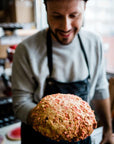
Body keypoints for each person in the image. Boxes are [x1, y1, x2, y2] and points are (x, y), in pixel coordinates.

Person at [12, 0, 113, 143]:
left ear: (84, 8)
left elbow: (100, 89)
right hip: (40, 137)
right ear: (46, 10)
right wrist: (52, 120)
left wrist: (108, 130)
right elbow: (20, 104)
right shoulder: (26, 50)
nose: (66, 26)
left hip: (81, 136)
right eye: (56, 16)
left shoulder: (94, 42)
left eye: (74, 15)